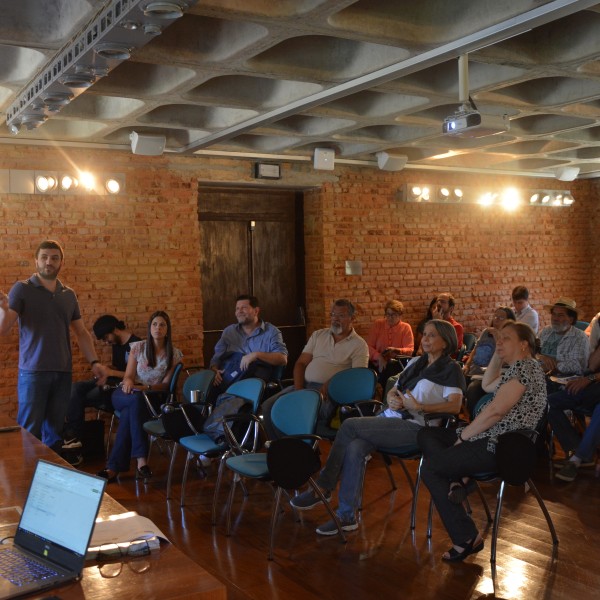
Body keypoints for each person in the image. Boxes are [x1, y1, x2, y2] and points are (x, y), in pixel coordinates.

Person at [289, 320, 465, 535]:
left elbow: (455, 406)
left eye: (431, 336)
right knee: (355, 447)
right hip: (391, 418)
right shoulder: (416, 362)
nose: (425, 339)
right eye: (425, 334)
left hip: (418, 427)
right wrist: (391, 398)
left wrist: (421, 406)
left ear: (445, 342)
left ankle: (324, 486)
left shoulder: (451, 369)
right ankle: (346, 516)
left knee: (350, 425)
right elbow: (395, 388)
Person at [417, 321, 547, 562]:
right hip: (486, 436)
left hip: (500, 445)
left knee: (432, 469)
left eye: (506, 338)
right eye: (498, 338)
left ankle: (466, 537)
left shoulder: (526, 369)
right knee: (427, 434)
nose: (499, 342)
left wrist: (462, 439)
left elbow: (495, 411)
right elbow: (487, 385)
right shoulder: (516, 368)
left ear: (524, 345)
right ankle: (458, 480)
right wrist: (499, 353)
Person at [0, 240, 107, 451]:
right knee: (30, 432)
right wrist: (3, 309)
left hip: (62, 373)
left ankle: (47, 481)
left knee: (55, 433)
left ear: (61, 263)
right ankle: (26, 480)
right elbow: (3, 329)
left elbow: (82, 332)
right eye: (45, 257)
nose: (49, 262)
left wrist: (94, 361)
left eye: (54, 258)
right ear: (36, 261)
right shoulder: (22, 289)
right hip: (33, 373)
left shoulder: (69, 295)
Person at [260, 299, 369, 438]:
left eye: (341, 316)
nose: (335, 319)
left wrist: (331, 384)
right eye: (333, 315)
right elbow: (300, 364)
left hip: (330, 392)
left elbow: (357, 377)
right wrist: (299, 391)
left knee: (299, 412)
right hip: (303, 385)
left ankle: (303, 447)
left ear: (352, 318)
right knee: (268, 406)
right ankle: (280, 446)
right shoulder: (319, 335)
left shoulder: (359, 345)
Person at [97, 311, 182, 482]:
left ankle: (113, 468)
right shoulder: (138, 347)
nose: (158, 328)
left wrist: (145, 388)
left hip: (150, 399)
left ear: (168, 329)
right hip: (125, 394)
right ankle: (141, 460)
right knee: (134, 400)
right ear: (149, 328)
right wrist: (129, 382)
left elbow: (165, 385)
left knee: (131, 412)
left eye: (162, 325)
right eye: (154, 324)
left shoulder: (175, 354)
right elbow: (128, 375)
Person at [62, 315, 141, 464]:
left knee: (79, 398)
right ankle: (73, 438)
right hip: (111, 381)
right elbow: (120, 369)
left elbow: (138, 377)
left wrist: (111, 373)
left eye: (106, 338)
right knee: (75, 388)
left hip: (120, 390)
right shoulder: (117, 345)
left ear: (115, 330)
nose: (106, 342)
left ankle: (74, 440)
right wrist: (107, 370)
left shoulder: (136, 345)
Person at [549, 310, 600, 482]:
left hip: (593, 386)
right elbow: (592, 365)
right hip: (593, 387)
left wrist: (590, 378)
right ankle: (575, 449)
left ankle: (577, 459)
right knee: (550, 402)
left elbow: (592, 373)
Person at [208, 295, 287, 400]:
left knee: (228, 399)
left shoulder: (271, 332)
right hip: (230, 378)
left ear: (256, 311)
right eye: (237, 308)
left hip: (256, 384)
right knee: (206, 390)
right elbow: (217, 356)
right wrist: (214, 370)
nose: (239, 311)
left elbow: (282, 359)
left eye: (244, 308)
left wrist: (256, 355)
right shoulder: (229, 332)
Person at [463, 307, 516, 418]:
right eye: (495, 316)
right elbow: (475, 349)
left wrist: (498, 337)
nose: (496, 319)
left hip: (489, 374)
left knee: (473, 389)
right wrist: (467, 364)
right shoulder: (486, 332)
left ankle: (474, 420)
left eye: (501, 317)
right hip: (475, 369)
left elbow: (505, 358)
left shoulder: (510, 337)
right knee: (456, 381)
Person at [537, 297, 589, 385]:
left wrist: (552, 366)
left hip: (565, 383)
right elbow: (532, 350)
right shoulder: (546, 331)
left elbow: (579, 365)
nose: (555, 318)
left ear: (571, 319)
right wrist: (541, 357)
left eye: (560, 315)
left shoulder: (579, 337)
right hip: (540, 376)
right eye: (553, 314)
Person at [366, 300, 414, 385]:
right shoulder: (378, 324)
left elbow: (410, 350)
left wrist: (397, 350)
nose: (390, 318)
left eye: (394, 315)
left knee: (390, 368)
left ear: (400, 315)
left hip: (396, 364)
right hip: (376, 362)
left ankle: (386, 394)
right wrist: (379, 357)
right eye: (388, 314)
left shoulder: (405, 328)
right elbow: (368, 346)